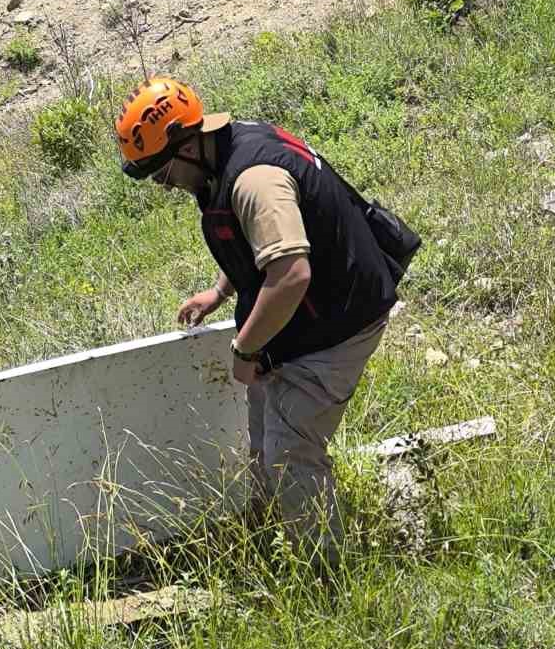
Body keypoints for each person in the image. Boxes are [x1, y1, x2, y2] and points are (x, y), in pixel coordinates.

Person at [115, 78, 400, 562]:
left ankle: (325, 573)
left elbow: (290, 276)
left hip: (338, 322)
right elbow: (262, 242)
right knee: (264, 435)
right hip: (304, 318)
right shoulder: (225, 151)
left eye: (162, 174)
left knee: (291, 454)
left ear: (188, 146)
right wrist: (221, 291)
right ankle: (271, 538)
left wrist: (245, 349)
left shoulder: (254, 180)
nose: (165, 186)